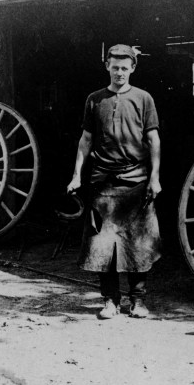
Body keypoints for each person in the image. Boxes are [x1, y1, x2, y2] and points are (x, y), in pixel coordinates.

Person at [67, 44, 161, 319]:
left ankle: (138, 301)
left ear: (133, 68)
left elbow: (153, 140)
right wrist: (76, 175)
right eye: (115, 67)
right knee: (103, 245)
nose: (119, 72)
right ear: (107, 66)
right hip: (103, 182)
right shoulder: (94, 99)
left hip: (136, 181)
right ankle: (110, 301)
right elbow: (85, 139)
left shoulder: (144, 99)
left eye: (124, 67)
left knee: (138, 244)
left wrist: (154, 179)